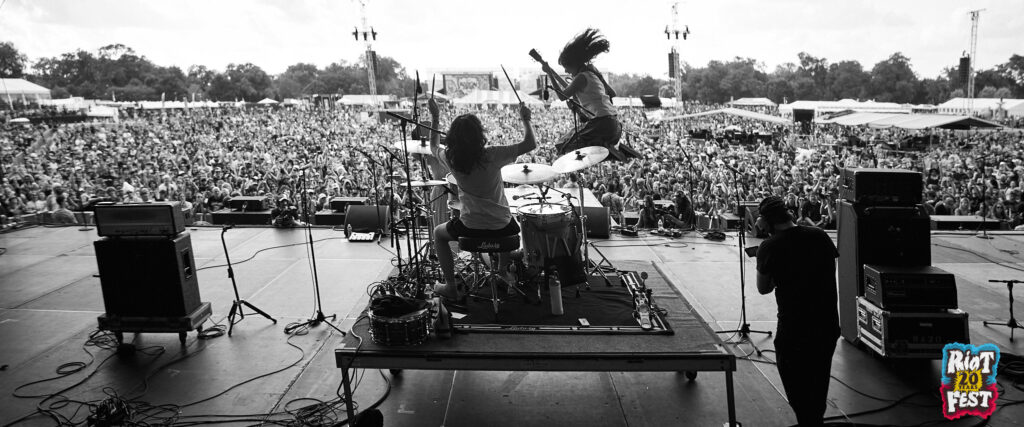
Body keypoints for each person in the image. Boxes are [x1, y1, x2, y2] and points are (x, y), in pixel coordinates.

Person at [428, 98, 536, 300]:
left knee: (438, 234)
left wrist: (435, 116)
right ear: (480, 134)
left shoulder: (451, 158)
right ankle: (502, 271)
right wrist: (525, 119)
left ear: (452, 138)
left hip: (470, 226)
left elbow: (433, 146)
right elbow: (530, 143)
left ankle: (450, 286)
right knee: (508, 220)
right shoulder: (493, 154)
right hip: (502, 226)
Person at [754, 195, 840, 427]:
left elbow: (763, 288)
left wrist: (772, 261)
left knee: (798, 387)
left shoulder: (769, 247)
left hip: (794, 328)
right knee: (818, 381)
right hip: (826, 324)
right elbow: (828, 271)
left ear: (766, 221)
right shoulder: (819, 236)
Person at [540, 28, 627, 162]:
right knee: (570, 143)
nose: (566, 71)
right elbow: (570, 89)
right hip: (613, 125)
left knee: (563, 145)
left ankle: (610, 151)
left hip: (601, 124)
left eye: (566, 67)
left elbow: (563, 96)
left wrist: (550, 74)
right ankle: (610, 149)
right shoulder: (591, 75)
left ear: (574, 64)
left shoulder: (582, 77)